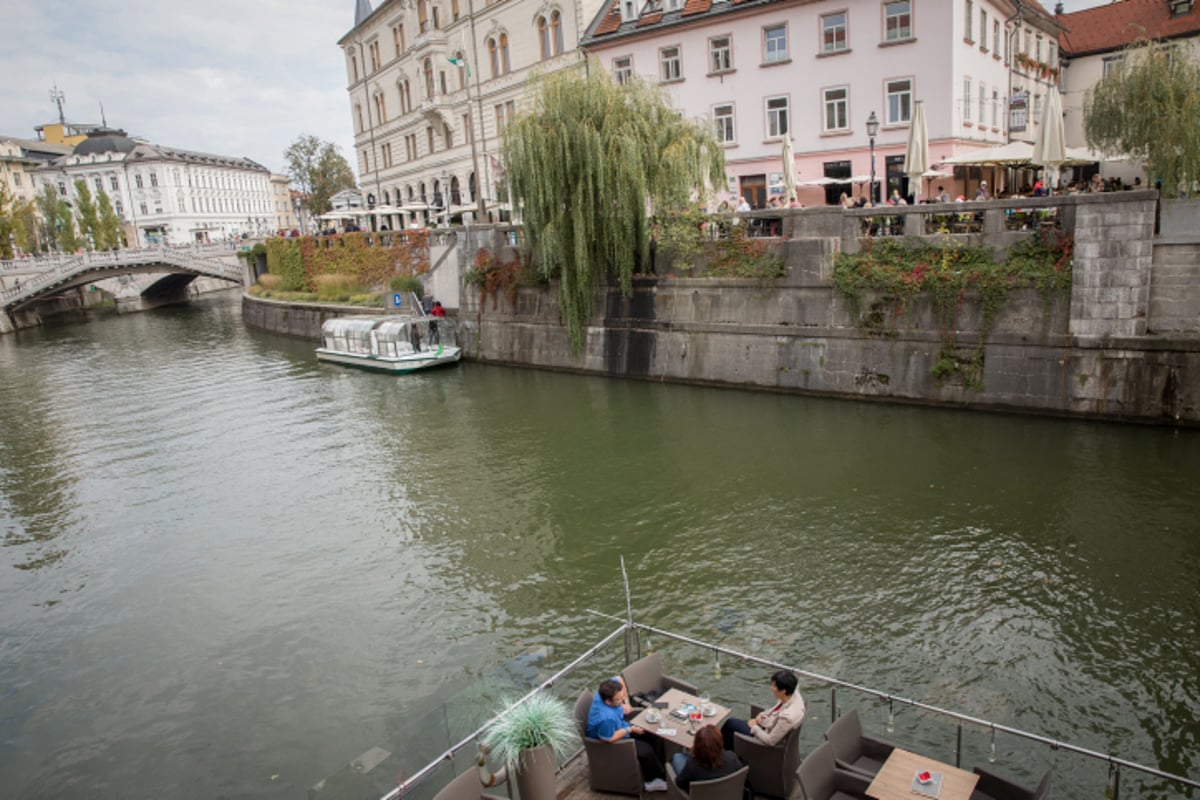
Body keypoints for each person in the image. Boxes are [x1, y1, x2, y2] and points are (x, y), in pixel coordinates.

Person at [587, 677, 668, 791]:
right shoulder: (606, 718)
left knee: (655, 734)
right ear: (608, 702)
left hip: (620, 724)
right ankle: (652, 781)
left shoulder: (608, 691)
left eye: (622, 696)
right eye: (618, 700)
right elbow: (608, 738)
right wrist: (630, 730)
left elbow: (618, 678)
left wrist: (625, 702)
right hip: (610, 740)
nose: (622, 699)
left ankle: (660, 770)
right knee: (646, 750)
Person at [720, 670, 806, 750]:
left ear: (783, 691)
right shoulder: (793, 695)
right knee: (733, 724)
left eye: (774, 686)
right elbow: (775, 711)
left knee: (730, 724)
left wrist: (754, 727)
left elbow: (770, 741)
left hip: (763, 738)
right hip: (766, 724)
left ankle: (721, 751)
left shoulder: (787, 717)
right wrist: (762, 715)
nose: (771, 688)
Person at [671, 725, 743, 791]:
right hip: (728, 794)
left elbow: (679, 783)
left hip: (698, 795)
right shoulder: (732, 757)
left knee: (677, 757)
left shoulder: (692, 765)